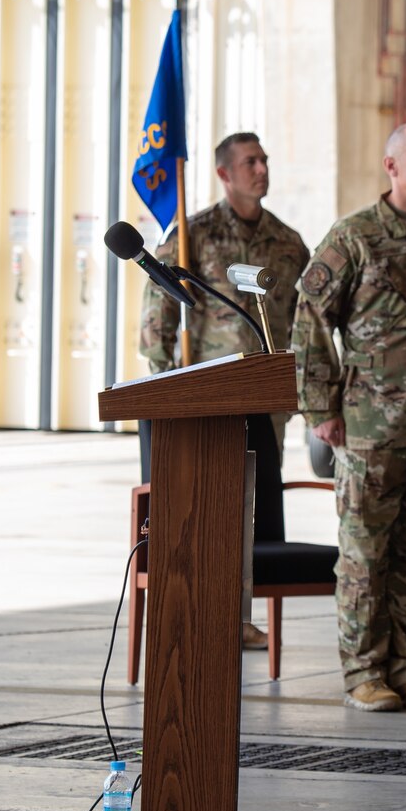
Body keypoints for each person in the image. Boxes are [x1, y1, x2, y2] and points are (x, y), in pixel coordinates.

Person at [291, 122, 406, 714]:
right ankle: (363, 671)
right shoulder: (354, 237)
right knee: (365, 555)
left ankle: (403, 669)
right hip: (368, 428)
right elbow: (310, 321)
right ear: (391, 166)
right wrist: (320, 409)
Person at [139, 131, 310, 649]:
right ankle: (206, 610)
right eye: (249, 161)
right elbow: (157, 319)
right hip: (208, 401)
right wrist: (167, 389)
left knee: (255, 510)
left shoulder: (288, 242)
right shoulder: (194, 236)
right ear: (223, 174)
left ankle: (239, 615)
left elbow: (305, 321)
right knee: (210, 509)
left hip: (264, 401)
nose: (261, 169)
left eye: (264, 159)